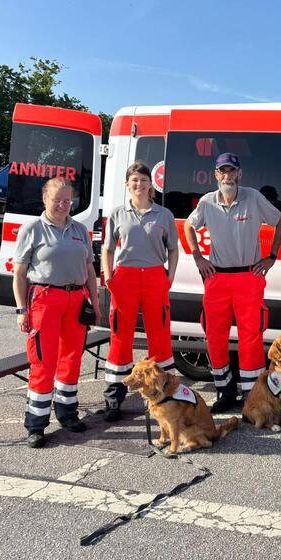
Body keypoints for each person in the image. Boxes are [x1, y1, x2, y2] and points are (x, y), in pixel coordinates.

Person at [183, 152, 281, 413]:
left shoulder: (253, 197)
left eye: (232, 171)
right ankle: (225, 390)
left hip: (248, 277)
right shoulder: (207, 202)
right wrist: (197, 257)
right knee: (214, 336)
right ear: (216, 174)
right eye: (223, 171)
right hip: (217, 278)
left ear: (239, 173)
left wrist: (272, 256)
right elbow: (188, 226)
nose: (227, 176)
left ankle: (253, 394)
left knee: (250, 337)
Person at [12, 177, 102, 448]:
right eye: (57, 200)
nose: (63, 205)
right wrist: (21, 309)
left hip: (76, 299)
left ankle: (67, 413)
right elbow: (19, 273)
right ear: (45, 199)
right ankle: (36, 424)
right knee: (44, 360)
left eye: (67, 201)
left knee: (71, 358)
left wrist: (95, 303)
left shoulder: (79, 230)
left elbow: (89, 270)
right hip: (45, 299)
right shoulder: (32, 229)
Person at [101, 161, 179, 422]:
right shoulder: (117, 213)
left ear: (150, 184)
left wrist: (169, 277)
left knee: (160, 335)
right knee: (120, 336)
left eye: (144, 180)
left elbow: (173, 249)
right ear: (127, 184)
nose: (139, 184)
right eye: (134, 180)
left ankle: (165, 393)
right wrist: (108, 277)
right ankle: (114, 399)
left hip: (155, 276)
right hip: (125, 278)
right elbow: (108, 249)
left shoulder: (164, 215)